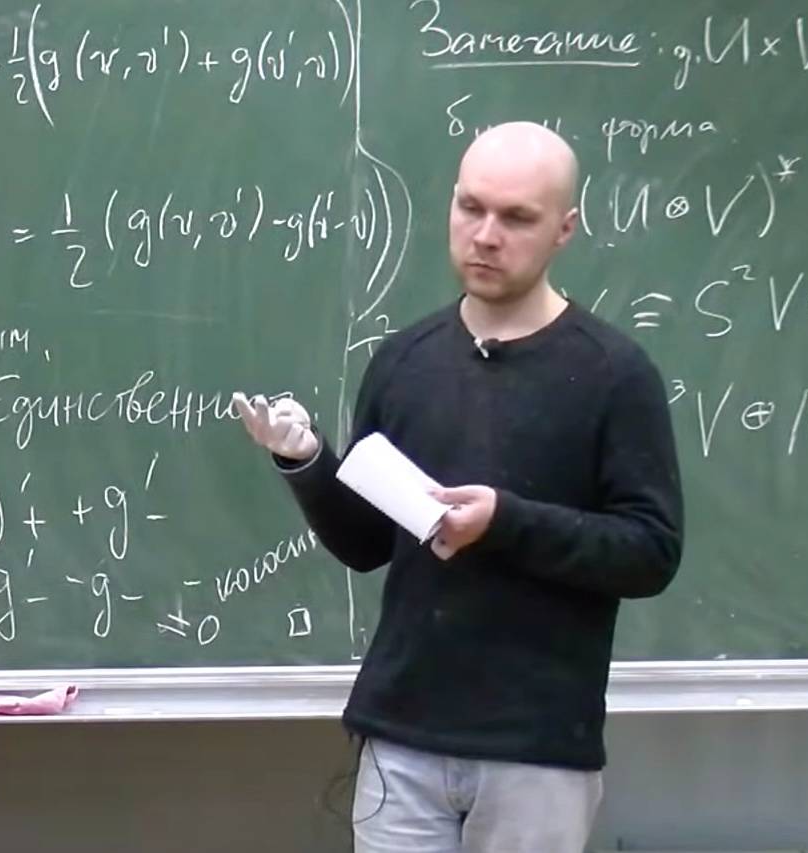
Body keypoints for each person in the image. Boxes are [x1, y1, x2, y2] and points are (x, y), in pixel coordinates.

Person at [231, 122, 684, 852]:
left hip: (535, 746)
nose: (486, 235)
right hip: (403, 731)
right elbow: (367, 544)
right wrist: (306, 460)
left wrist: (504, 522)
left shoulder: (613, 374)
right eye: (471, 207)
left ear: (565, 228)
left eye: (517, 217)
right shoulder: (404, 361)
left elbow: (650, 551)